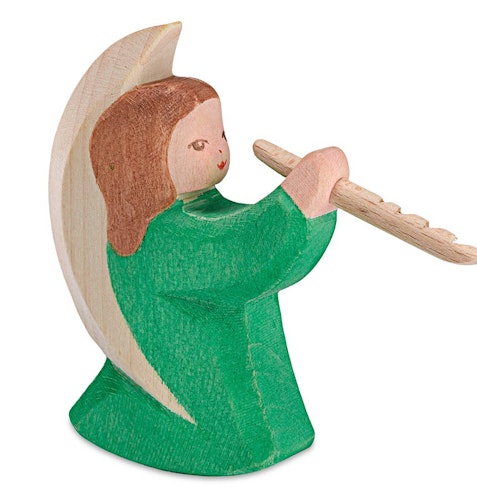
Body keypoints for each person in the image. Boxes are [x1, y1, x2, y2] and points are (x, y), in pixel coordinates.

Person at [70, 76, 349, 475]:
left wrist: (303, 199)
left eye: (221, 136)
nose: (219, 151)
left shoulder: (197, 210)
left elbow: (239, 229)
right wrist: (299, 199)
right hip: (193, 399)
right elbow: (243, 250)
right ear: (146, 161)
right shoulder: (157, 237)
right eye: (198, 146)